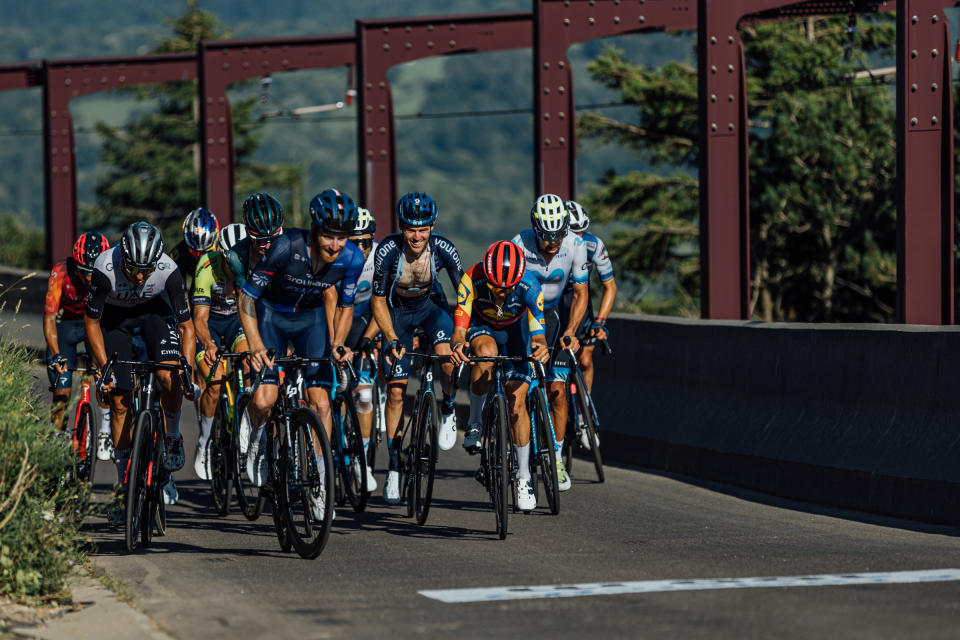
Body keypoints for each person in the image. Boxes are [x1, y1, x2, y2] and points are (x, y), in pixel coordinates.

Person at [238, 189, 363, 521]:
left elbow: (346, 307)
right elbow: (248, 298)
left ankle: (321, 483)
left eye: (342, 237)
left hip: (311, 321)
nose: (335, 245)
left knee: (321, 403)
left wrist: (337, 342)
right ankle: (259, 438)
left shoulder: (352, 258)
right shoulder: (286, 246)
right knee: (265, 400)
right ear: (313, 229)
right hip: (270, 316)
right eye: (328, 236)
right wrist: (254, 344)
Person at [85, 222, 196, 513]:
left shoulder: (168, 269)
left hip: (153, 314)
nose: (138, 276)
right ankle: (125, 486)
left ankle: (171, 437)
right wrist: (102, 367)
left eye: (146, 271)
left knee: (168, 374)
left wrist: (186, 366)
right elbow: (92, 323)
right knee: (120, 401)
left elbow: (186, 326)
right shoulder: (105, 267)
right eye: (133, 269)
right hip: (115, 321)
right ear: (123, 255)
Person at [371, 192, 463, 505]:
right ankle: (395, 464)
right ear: (401, 227)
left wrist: (465, 331)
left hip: (430, 307)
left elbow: (463, 290)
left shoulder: (442, 248)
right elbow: (378, 300)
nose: (417, 235)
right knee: (396, 391)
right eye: (411, 228)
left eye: (423, 229)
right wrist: (391, 338)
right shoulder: (388, 251)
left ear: (432, 227)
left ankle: (448, 406)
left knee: (447, 358)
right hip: (397, 313)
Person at [449, 240, 549, 511]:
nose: (501, 295)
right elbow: (459, 328)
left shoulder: (531, 286)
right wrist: (458, 345)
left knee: (517, 402)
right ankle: (475, 421)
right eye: (495, 288)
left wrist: (540, 348)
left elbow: (538, 334)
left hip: (517, 335)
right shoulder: (471, 279)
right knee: (485, 353)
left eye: (507, 289)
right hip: (483, 328)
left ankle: (523, 477)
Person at [511, 194, 589, 492]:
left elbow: (581, 294)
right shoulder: (519, 243)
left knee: (557, 389)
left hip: (555, 315)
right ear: (535, 229)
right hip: (522, 315)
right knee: (517, 387)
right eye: (546, 235)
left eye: (558, 234)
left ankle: (555, 457)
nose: (553, 241)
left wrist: (571, 329)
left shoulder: (576, 245)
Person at [45, 232, 112, 456]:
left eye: (96, 273)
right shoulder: (61, 271)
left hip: (94, 324)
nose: (91, 278)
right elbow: (49, 318)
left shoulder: (109, 273)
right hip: (66, 325)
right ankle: (57, 436)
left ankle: (104, 429)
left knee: (104, 375)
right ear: (77, 265)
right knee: (62, 385)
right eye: (85, 273)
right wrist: (55, 354)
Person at [191, 222, 249, 480]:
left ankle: (247, 419)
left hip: (238, 321)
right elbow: (199, 319)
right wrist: (209, 344)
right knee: (214, 383)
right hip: (211, 324)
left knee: (250, 362)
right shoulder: (207, 265)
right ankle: (203, 443)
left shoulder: (251, 265)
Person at [562, 201, 616, 449]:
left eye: (583, 232)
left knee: (585, 360)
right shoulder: (553, 248)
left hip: (581, 306)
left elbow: (609, 287)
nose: (580, 238)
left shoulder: (594, 246)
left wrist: (600, 321)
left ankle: (584, 415)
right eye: (575, 233)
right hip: (555, 304)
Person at [344, 207, 380, 492]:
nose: (361, 248)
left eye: (366, 242)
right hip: (335, 322)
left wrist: (369, 341)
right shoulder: (335, 258)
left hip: (366, 322)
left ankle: (363, 462)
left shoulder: (379, 257)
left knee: (364, 395)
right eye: (354, 242)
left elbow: (385, 306)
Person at [224, 193, 285, 289]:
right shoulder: (236, 257)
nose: (268, 246)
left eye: (273, 239)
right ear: (247, 232)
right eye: (261, 241)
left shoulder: (295, 243)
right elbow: (245, 298)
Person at [170, 207, 220, 296]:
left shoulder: (223, 249)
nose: (200, 258)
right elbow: (179, 291)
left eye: (206, 252)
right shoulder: (178, 253)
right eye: (195, 252)